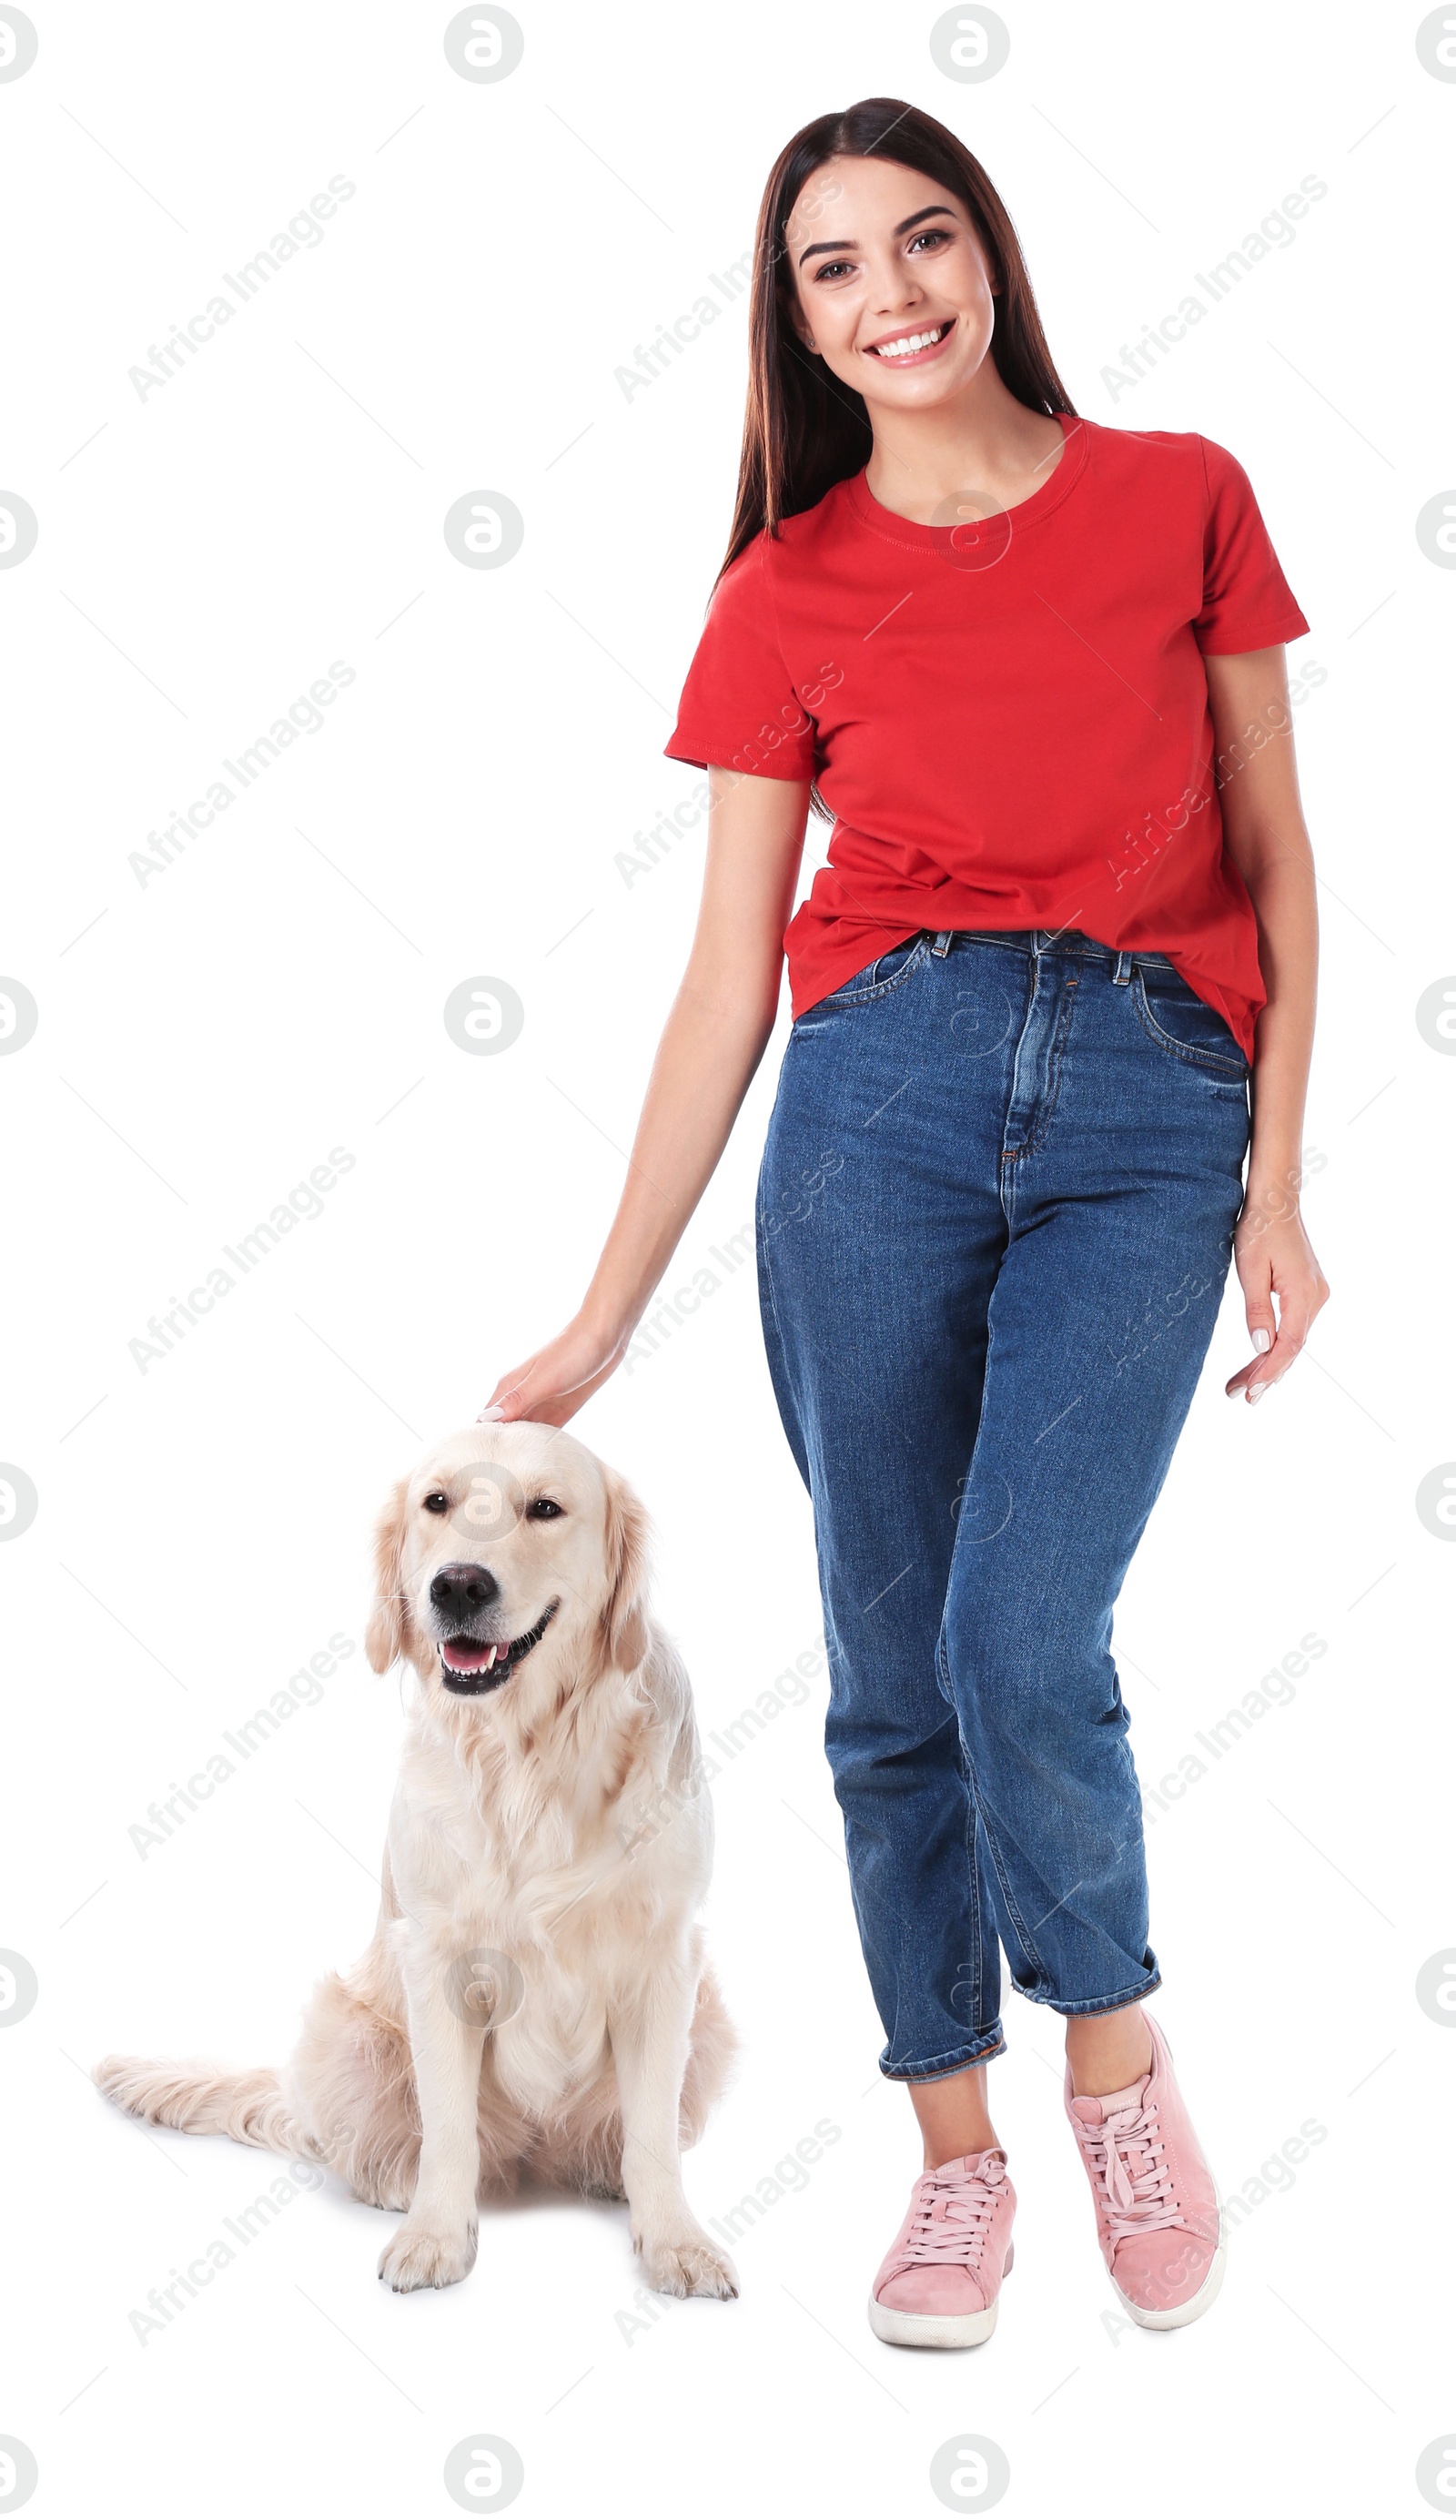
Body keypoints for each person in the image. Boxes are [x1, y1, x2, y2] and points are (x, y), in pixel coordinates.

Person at [483, 97, 1329, 2347]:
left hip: (1154, 1100)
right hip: (880, 1108)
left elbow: (1276, 854)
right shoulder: (785, 591)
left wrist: (1278, 1180)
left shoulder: (1180, 495)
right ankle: (953, 2161)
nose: (892, 294)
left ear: (989, 252)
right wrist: (595, 1314)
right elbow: (720, 979)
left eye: (922, 238)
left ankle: (1114, 2068)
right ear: (798, 324)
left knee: (1016, 1635)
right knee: (886, 1659)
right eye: (833, 268)